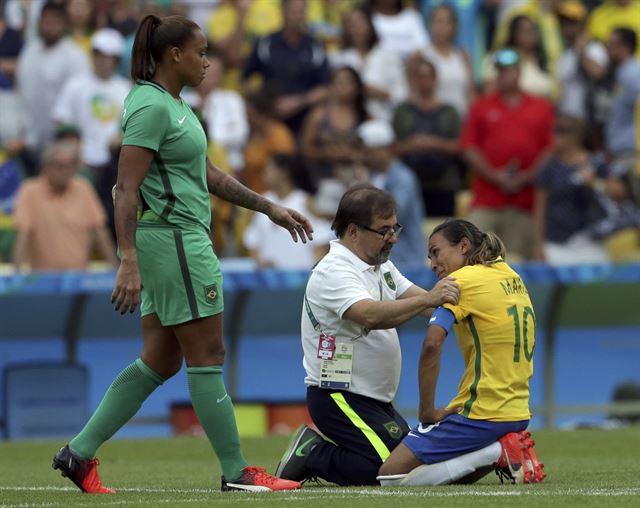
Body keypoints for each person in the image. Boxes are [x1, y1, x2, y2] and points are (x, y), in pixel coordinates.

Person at [51, 14, 312, 494]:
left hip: (172, 239)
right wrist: (126, 258)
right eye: (202, 52)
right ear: (176, 55)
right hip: (173, 237)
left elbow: (207, 174)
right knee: (208, 353)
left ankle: (79, 453)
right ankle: (237, 473)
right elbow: (125, 188)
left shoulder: (175, 106)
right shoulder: (151, 106)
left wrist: (267, 206)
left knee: (160, 358)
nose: (208, 62)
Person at [274, 184, 460, 486]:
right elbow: (370, 315)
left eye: (395, 228)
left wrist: (466, 309)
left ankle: (317, 452)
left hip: (373, 399)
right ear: (354, 231)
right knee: (390, 471)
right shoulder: (333, 270)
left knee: (410, 462)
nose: (393, 238)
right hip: (338, 396)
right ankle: (312, 454)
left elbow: (419, 300)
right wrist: (431, 299)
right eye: (384, 230)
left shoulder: (381, 265)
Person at [377, 218, 545, 486]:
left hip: (482, 411)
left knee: (391, 476)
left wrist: (427, 412)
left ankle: (498, 451)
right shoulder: (511, 275)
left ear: (464, 246)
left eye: (436, 252)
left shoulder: (460, 281)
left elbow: (432, 344)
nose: (432, 264)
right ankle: (502, 449)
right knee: (447, 472)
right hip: (518, 411)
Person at [461, 48, 554, 261]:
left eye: (509, 70)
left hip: (525, 201)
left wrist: (527, 176)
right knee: (475, 258)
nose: (505, 75)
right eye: (500, 71)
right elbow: (468, 147)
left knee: (520, 263)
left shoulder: (541, 107)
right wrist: (495, 175)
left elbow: (550, 149)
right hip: (486, 198)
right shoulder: (481, 106)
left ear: (519, 72)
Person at [12, 140, 117, 271]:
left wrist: (115, 270)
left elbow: (99, 231)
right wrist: (16, 274)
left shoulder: (83, 188)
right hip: (43, 280)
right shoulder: (30, 190)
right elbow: (24, 234)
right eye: (60, 166)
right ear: (46, 167)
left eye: (71, 166)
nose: (66, 171)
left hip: (79, 280)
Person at [357, 119, 427, 268]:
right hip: (380, 261)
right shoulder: (370, 174)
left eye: (369, 151)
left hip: (406, 262)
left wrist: (366, 186)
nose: (364, 155)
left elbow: (392, 217)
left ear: (386, 148)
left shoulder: (403, 178)